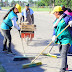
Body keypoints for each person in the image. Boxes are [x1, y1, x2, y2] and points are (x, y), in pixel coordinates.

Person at [51, 6, 72, 72]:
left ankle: (62, 70)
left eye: (54, 13)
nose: (54, 14)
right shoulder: (56, 20)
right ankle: (65, 66)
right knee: (61, 53)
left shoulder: (67, 18)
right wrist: (54, 35)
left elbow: (71, 19)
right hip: (59, 39)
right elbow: (55, 29)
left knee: (63, 53)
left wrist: (71, 22)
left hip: (66, 39)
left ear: (57, 13)